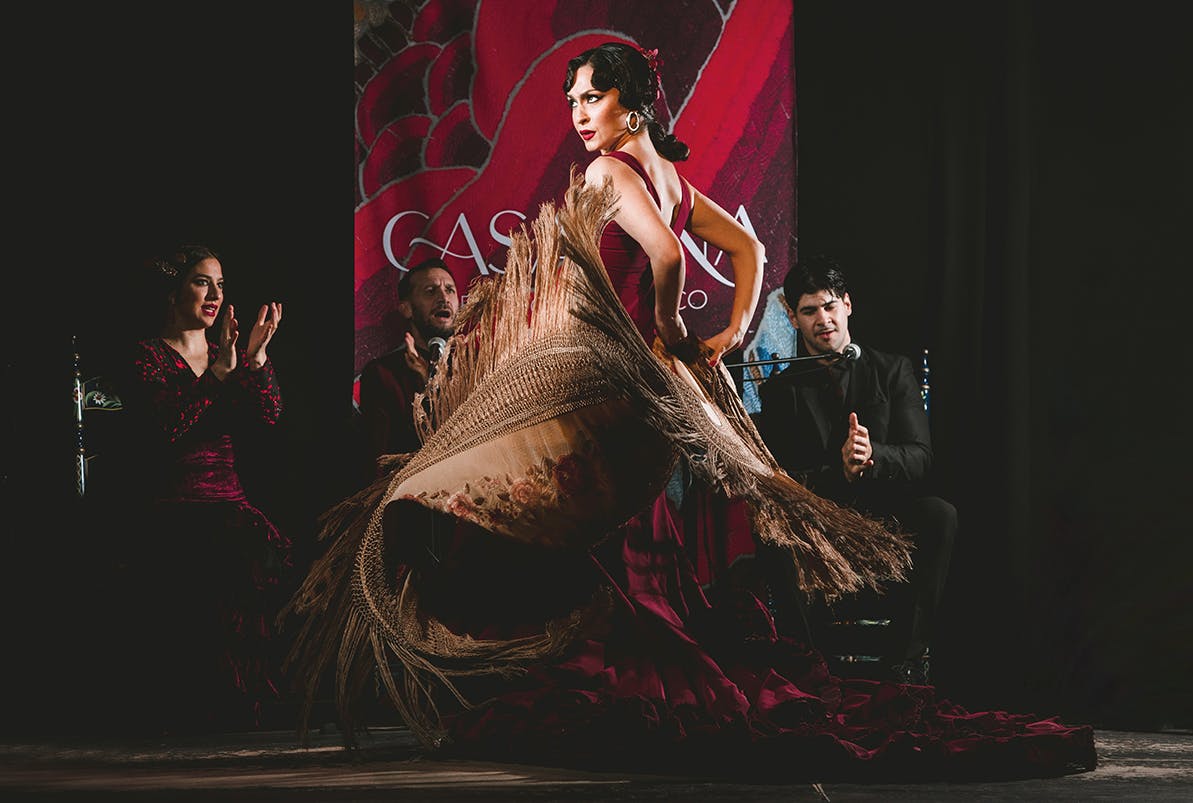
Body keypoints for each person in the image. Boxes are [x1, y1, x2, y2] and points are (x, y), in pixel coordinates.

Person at [281, 43, 1094, 781]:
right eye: (569, 103)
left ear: (629, 105)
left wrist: (672, 332)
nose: (576, 117)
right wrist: (725, 332)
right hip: (647, 393)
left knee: (585, 527)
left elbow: (668, 258)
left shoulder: (609, 176)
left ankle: (581, 662)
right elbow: (750, 252)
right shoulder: (666, 177)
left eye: (588, 100)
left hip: (623, 384)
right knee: (625, 531)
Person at [756, 255, 956, 684]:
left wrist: (874, 457)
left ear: (847, 304)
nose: (822, 320)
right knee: (768, 529)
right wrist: (839, 473)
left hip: (887, 521)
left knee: (939, 513)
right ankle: (808, 671)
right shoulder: (779, 392)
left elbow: (921, 457)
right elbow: (782, 482)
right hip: (818, 531)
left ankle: (903, 665)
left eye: (829, 306)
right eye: (809, 311)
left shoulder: (893, 370)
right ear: (792, 317)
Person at [118, 244, 292, 734]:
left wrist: (255, 361)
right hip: (176, 506)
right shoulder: (147, 355)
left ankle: (246, 707)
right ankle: (196, 712)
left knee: (255, 550)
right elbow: (169, 427)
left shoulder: (225, 352)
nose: (215, 294)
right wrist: (219, 376)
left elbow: (269, 416)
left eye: (221, 284)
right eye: (202, 282)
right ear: (174, 291)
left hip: (228, 501)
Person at [357, 257, 460, 478]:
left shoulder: (478, 366)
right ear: (406, 309)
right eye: (431, 291)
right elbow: (379, 461)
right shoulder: (383, 373)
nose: (444, 298)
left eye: (450, 290)